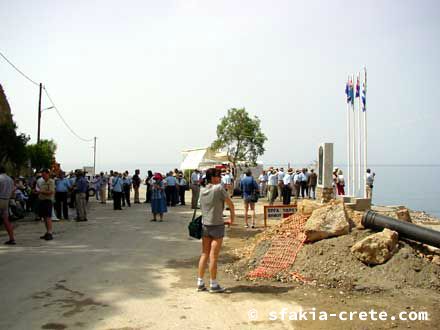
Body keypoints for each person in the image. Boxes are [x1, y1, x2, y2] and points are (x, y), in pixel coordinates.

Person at [197, 168, 235, 293]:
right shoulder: (218, 188)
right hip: (217, 225)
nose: (220, 178)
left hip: (205, 225)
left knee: (204, 254)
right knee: (213, 256)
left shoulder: (202, 190)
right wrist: (231, 218)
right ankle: (213, 284)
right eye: (218, 175)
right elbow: (231, 204)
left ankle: (200, 282)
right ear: (213, 177)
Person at [38, 169, 55, 240]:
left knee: (48, 217)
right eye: (42, 175)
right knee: (44, 217)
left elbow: (51, 192)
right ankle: (47, 232)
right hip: (42, 201)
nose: (43, 176)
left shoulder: (51, 182)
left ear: (48, 174)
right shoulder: (42, 182)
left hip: (47, 201)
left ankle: (50, 233)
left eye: (44, 174)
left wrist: (42, 191)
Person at [0, 167, 16, 245]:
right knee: (6, 220)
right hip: (6, 200)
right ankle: (12, 238)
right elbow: (13, 189)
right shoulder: (10, 179)